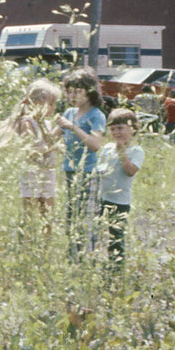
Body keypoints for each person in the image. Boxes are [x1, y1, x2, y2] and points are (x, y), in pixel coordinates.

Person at [0, 78, 62, 236]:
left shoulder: (46, 123)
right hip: (32, 172)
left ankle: (45, 245)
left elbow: (49, 140)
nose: (53, 108)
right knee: (29, 210)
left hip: (47, 171)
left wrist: (61, 129)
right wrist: (51, 147)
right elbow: (31, 148)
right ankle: (27, 242)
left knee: (48, 210)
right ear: (36, 103)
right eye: (50, 104)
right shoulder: (27, 122)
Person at [57, 70, 106, 260]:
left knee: (86, 215)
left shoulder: (96, 115)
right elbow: (52, 136)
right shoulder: (70, 112)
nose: (72, 97)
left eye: (77, 92)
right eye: (69, 92)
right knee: (71, 215)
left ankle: (88, 256)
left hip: (88, 172)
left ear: (90, 91)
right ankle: (73, 256)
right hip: (70, 171)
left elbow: (95, 145)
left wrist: (72, 127)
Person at [94, 108, 143, 267]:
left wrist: (122, 151)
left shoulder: (136, 151)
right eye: (113, 128)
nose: (116, 132)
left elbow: (130, 171)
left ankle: (116, 268)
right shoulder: (107, 148)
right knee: (95, 231)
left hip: (120, 202)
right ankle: (95, 260)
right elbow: (100, 170)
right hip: (102, 198)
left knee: (116, 236)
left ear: (133, 128)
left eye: (120, 128)